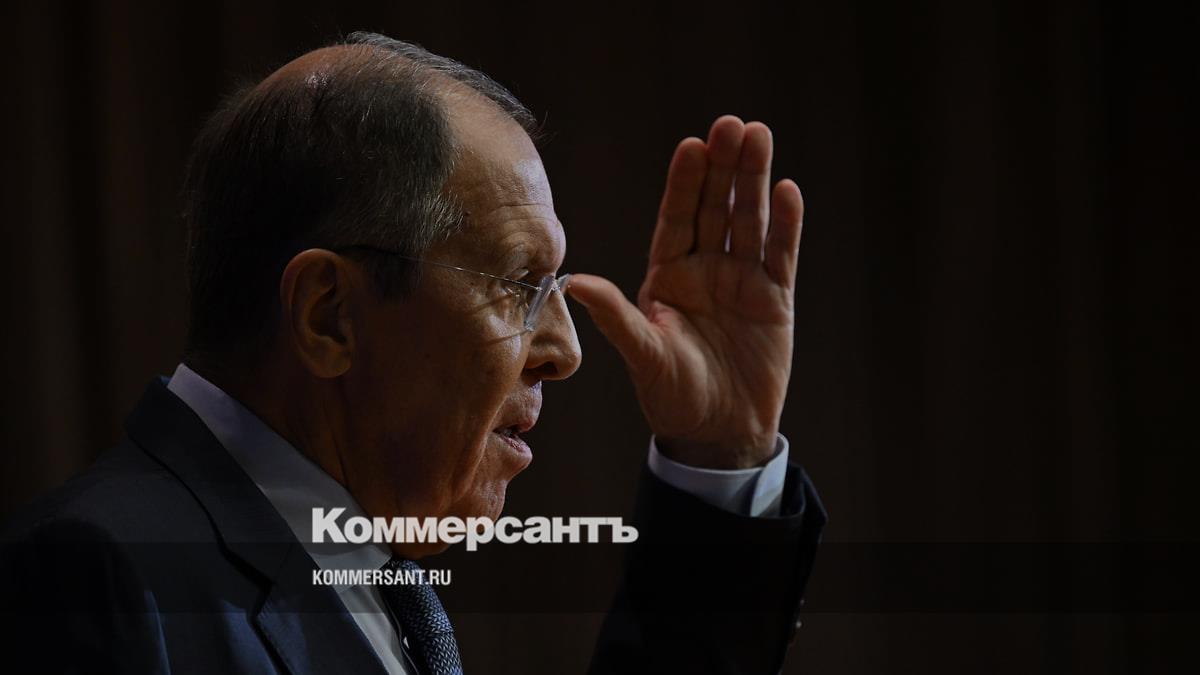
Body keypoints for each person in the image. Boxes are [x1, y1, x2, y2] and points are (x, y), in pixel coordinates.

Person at [0, 32, 826, 674]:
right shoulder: (96, 583)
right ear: (328, 315)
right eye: (519, 282)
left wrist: (717, 457)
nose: (565, 350)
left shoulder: (366, 558)